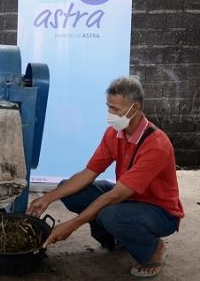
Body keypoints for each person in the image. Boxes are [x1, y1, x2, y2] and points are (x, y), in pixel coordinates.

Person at [27, 76, 184, 278]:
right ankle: (117, 238)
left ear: (134, 109)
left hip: (159, 211)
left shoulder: (157, 145)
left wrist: (72, 225)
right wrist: (47, 198)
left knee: (108, 213)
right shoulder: (114, 134)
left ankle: (154, 250)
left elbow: (115, 196)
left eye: (116, 109)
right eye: (109, 107)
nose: (110, 114)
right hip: (128, 199)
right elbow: (87, 174)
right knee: (70, 190)